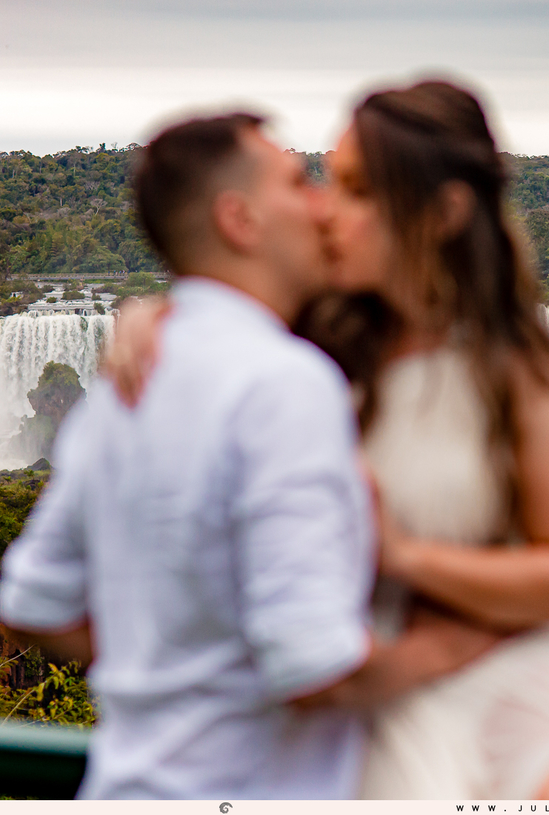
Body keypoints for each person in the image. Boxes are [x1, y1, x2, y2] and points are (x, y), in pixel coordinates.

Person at [108, 82, 549, 799]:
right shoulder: (309, 342)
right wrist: (153, 315)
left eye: (358, 191)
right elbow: (223, 313)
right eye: (328, 180)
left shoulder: (510, 373)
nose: (328, 209)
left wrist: (408, 557)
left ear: (439, 215)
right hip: (372, 683)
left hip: (519, 668)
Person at [0, 114, 494, 799]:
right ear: (240, 220)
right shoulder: (283, 384)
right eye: (297, 181)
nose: (320, 201)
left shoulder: (120, 392)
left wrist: (167, 662)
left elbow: (33, 598)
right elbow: (315, 666)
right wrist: (462, 644)